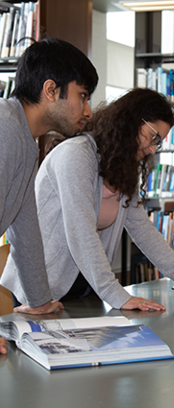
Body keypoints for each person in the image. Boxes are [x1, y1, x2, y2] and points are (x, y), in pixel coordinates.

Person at [1, 87, 174, 312]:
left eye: (158, 142)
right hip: (44, 291)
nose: (153, 149)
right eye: (153, 137)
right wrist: (115, 294)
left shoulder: (122, 167)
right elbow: (81, 230)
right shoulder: (76, 155)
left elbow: (143, 231)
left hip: (86, 287)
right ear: (131, 120)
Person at [0, 38, 98, 354]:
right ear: (51, 90)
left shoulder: (26, 140)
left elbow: (25, 229)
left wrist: (40, 301)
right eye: (82, 96)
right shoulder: (5, 128)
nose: (87, 110)